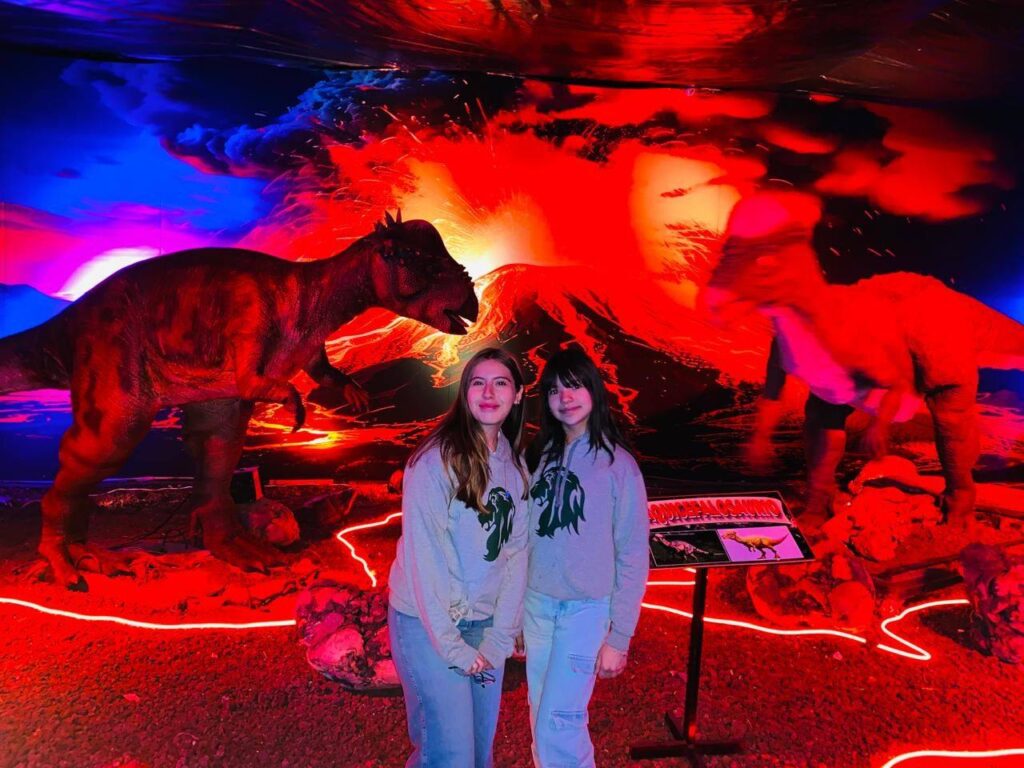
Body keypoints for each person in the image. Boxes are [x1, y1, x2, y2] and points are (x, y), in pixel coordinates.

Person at [388, 347, 530, 768]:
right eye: (477, 382)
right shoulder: (434, 462)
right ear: (464, 392)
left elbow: (517, 552)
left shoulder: (515, 465)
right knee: (450, 754)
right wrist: (452, 647)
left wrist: (501, 635)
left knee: (479, 752)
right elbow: (424, 558)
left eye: (500, 382)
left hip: (484, 625)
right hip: (428, 625)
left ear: (518, 394)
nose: (488, 392)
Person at [522, 345, 650, 768]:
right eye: (554, 390)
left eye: (575, 386)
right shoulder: (538, 457)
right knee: (540, 712)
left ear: (594, 390)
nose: (565, 397)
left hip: (585, 611)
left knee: (560, 722)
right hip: (537, 606)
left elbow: (633, 553)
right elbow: (523, 539)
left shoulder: (619, 466)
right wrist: (516, 610)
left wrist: (619, 637)